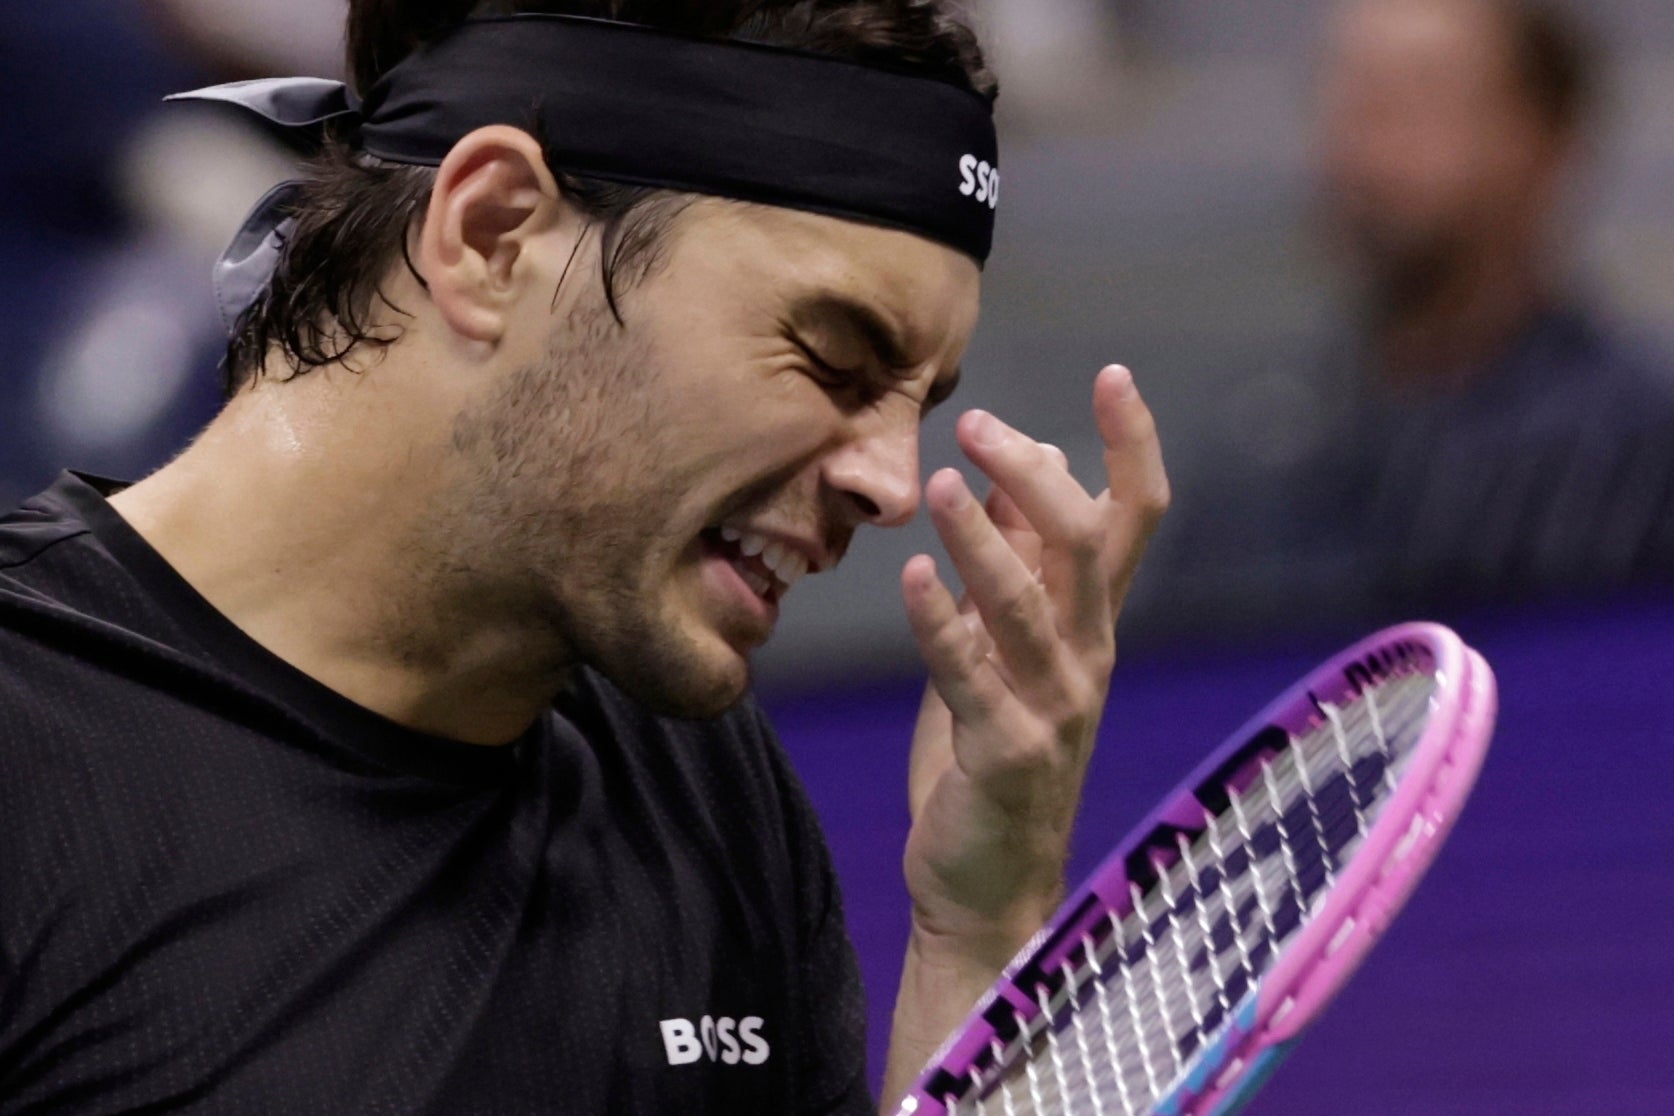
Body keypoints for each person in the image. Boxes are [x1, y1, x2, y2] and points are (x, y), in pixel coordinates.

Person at [0, 2, 1169, 1113]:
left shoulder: (707, 794)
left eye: (917, 402)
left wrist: (983, 929)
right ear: (493, 233)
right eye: (831, 357)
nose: (893, 484)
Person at [1146, 0, 1673, 642]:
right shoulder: (1262, 448)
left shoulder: (1638, 456)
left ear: (1547, 137)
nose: (1364, 138)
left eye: (1421, 94)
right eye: (1349, 91)